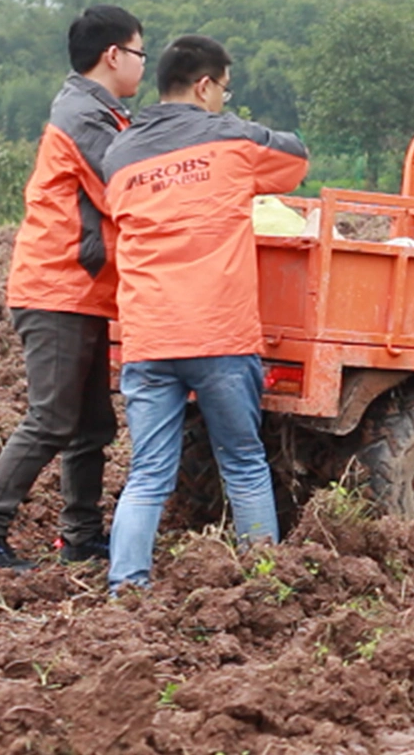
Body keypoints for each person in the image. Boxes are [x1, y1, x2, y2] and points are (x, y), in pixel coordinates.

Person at [103, 34, 308, 594]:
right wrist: (238, 124)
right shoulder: (233, 140)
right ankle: (265, 578)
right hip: (220, 335)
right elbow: (294, 161)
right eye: (223, 88)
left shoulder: (119, 155)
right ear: (205, 85)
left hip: (149, 337)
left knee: (147, 472)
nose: (223, 98)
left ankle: (125, 587)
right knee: (242, 461)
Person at [0, 6, 145, 571]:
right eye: (140, 53)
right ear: (114, 55)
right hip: (56, 290)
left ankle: (80, 536)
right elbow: (125, 187)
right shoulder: (83, 116)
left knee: (93, 425)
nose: (142, 65)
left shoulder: (103, 113)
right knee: (51, 418)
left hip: (83, 292)